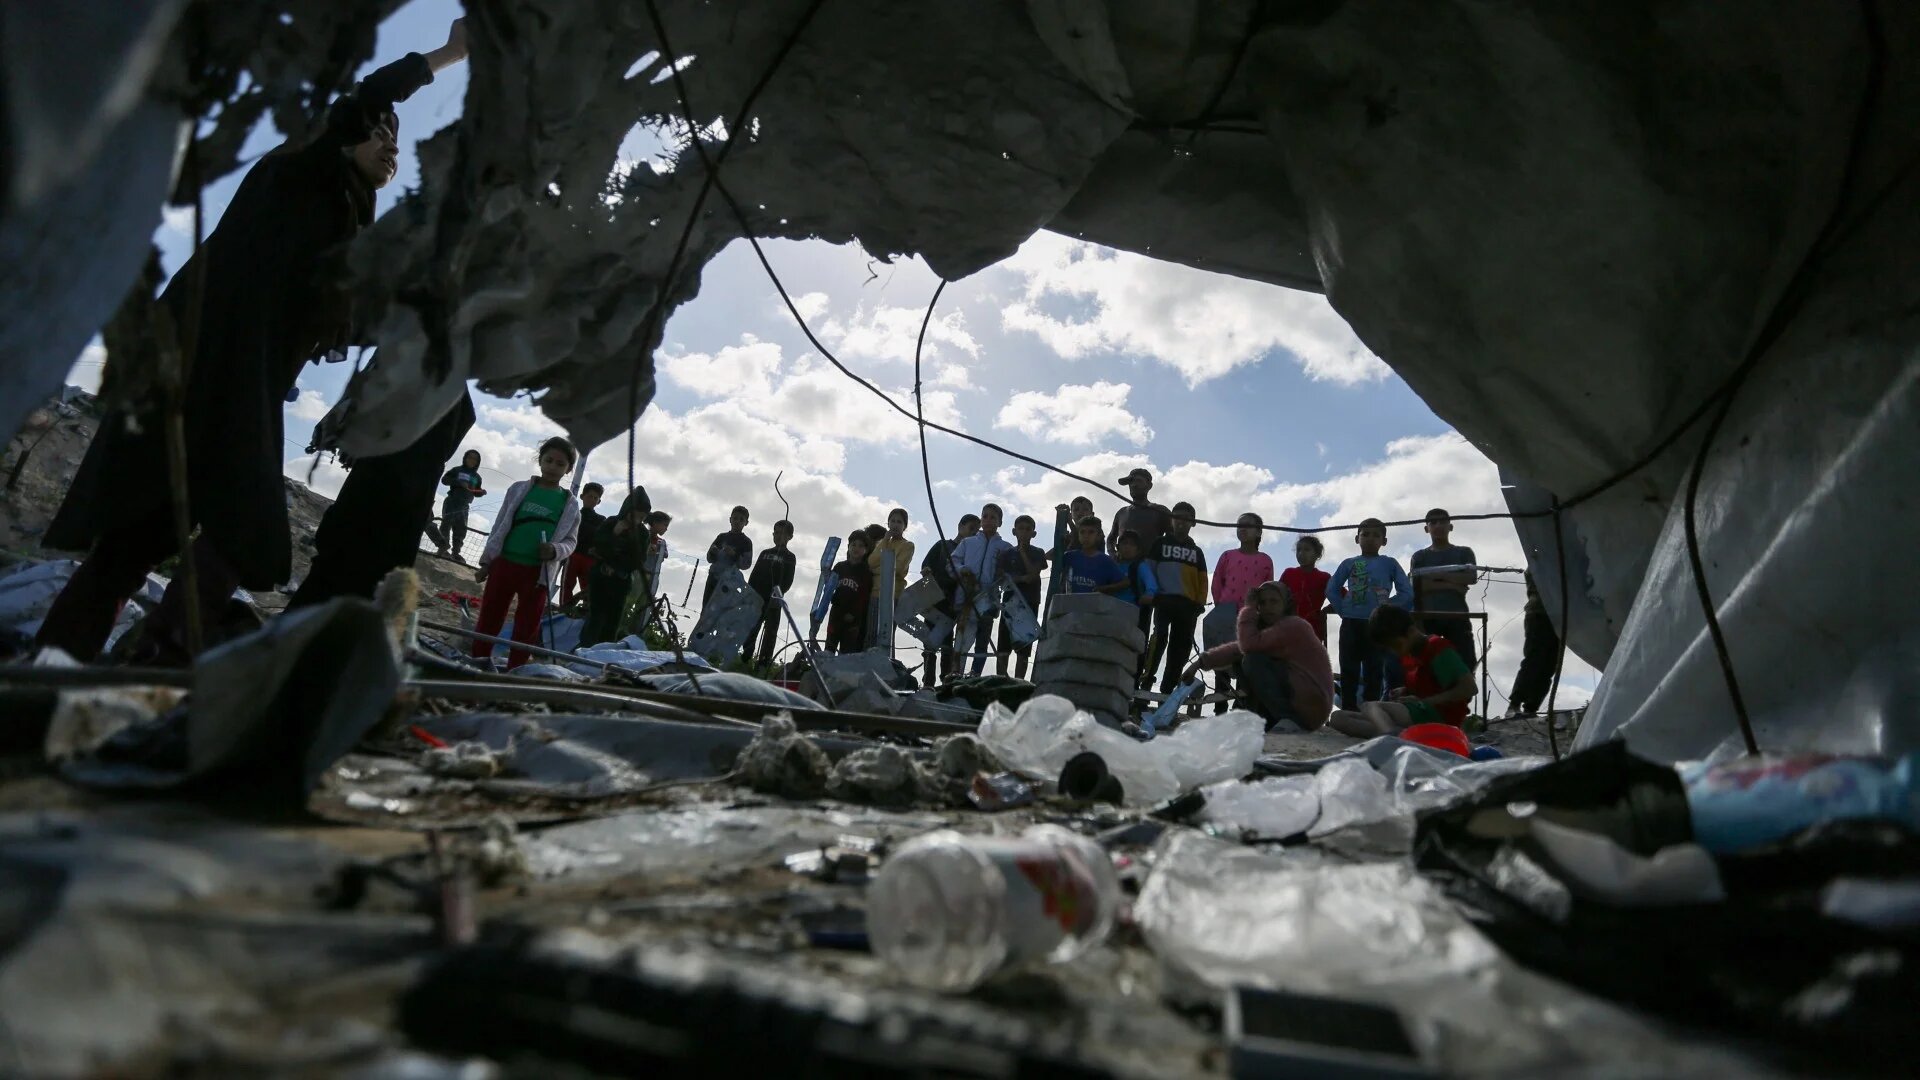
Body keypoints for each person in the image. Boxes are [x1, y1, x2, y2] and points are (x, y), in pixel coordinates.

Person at [34, 22, 470, 663]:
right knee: (224, 528)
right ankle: (119, 660)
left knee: (155, 532)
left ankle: (82, 664)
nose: (388, 145)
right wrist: (452, 53)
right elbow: (365, 96)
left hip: (239, 382)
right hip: (205, 360)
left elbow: (353, 321)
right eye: (378, 133)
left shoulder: (343, 230)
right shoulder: (301, 170)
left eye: (394, 141)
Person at [290, 390, 475, 609]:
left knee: (336, 570)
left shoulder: (417, 374)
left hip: (384, 482)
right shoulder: (453, 393)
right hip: (403, 490)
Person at [472, 437, 581, 669]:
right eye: (549, 460)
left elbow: (571, 542)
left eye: (560, 464)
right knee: (489, 618)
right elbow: (500, 526)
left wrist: (554, 550)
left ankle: (516, 672)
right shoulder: (518, 489)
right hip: (504, 564)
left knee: (527, 627)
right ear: (540, 461)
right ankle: (477, 664)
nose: (553, 467)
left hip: (537, 574)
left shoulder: (570, 504)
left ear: (569, 469)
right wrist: (486, 563)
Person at [1185, 581, 1334, 731]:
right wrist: (1198, 663)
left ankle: (1290, 720)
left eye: (1274, 601)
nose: (1268, 607)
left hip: (1311, 705)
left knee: (1252, 660)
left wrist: (1248, 608)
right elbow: (1237, 649)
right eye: (1262, 602)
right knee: (1243, 660)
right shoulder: (1270, 630)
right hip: (1300, 699)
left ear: (1286, 604)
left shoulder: (1294, 625)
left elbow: (1248, 645)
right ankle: (1266, 720)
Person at [1327, 604, 1475, 737]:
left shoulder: (1437, 648)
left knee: (1370, 706)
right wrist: (1405, 691)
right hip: (1418, 715)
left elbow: (1469, 688)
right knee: (1338, 718)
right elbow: (1429, 684)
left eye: (1396, 645)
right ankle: (1399, 735)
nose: (1395, 652)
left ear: (1410, 632)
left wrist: (1426, 702)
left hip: (1438, 716)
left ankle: (1391, 735)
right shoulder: (1409, 655)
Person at [1325, 517, 1414, 709]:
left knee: (1374, 670)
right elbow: (1332, 589)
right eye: (1365, 534)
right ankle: (1348, 709)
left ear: (1384, 541)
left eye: (1376, 535)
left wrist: (1386, 609)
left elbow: (1406, 593)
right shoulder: (1349, 563)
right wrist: (1343, 610)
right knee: (1349, 669)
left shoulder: (1389, 563)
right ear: (1357, 539)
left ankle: (1371, 710)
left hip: (1376, 626)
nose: (1370, 539)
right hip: (1350, 623)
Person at [1205, 512, 1275, 710]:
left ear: (1259, 532)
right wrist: (1221, 608)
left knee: (1245, 661)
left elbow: (1267, 588)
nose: (1242, 529)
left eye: (1248, 525)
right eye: (1239, 525)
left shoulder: (1265, 560)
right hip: (1226, 614)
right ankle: (1219, 709)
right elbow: (1217, 582)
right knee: (1222, 661)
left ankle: (1240, 708)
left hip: (1252, 618)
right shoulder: (1228, 555)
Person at [1145, 502, 1208, 695]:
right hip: (1163, 601)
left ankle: (1167, 691)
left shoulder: (1197, 552)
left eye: (1185, 518)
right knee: (1159, 639)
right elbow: (1149, 569)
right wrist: (1152, 593)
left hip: (1187, 606)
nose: (1180, 521)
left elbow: (1202, 580)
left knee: (1179, 650)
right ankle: (1146, 682)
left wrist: (1199, 604)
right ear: (1171, 520)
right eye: (1177, 517)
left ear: (1193, 522)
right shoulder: (1160, 544)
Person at [580, 486, 652, 649]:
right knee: (595, 618)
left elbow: (638, 559)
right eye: (635, 515)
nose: (637, 520)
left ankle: (603, 654)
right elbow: (598, 544)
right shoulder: (612, 522)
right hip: (601, 578)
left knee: (613, 621)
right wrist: (615, 535)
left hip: (621, 580)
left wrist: (616, 561)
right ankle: (584, 651)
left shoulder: (642, 533)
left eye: (642, 517)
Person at [1408, 507, 1479, 669]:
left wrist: (1435, 576)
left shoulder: (1464, 552)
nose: (1438, 525)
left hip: (1457, 616)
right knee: (1428, 665)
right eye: (1433, 522)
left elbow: (1471, 577)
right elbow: (1418, 586)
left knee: (1465, 663)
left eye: (1442, 521)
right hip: (1427, 618)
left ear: (1450, 526)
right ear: (1427, 528)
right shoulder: (1419, 557)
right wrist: (1452, 585)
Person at [950, 503, 1015, 677]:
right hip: (966, 598)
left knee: (982, 642)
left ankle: (975, 674)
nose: (988, 520)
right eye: (985, 516)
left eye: (993, 517)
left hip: (989, 599)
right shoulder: (967, 543)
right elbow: (952, 563)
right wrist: (963, 570)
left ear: (1000, 522)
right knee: (962, 640)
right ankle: (955, 674)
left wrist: (1001, 576)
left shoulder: (1005, 547)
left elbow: (1009, 575)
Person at [919, 513, 978, 682]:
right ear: (960, 527)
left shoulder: (969, 554)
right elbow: (926, 564)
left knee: (947, 642)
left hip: (951, 602)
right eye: (971, 529)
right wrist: (927, 572)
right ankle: (928, 680)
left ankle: (945, 679)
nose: (973, 533)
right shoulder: (943, 545)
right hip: (933, 599)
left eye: (976, 531)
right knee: (929, 640)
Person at [996, 514, 1049, 678]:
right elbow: (1002, 579)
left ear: (1033, 533)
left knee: (1024, 648)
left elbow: (1033, 575)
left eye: (1028, 529)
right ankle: (1000, 681)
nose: (1024, 532)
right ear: (1014, 531)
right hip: (1010, 604)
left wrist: (1023, 553)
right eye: (1021, 529)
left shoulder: (1038, 552)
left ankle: (1018, 682)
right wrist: (1020, 579)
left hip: (1030, 602)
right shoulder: (1006, 554)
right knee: (1003, 647)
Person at [742, 520, 798, 666]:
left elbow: (788, 579)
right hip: (757, 597)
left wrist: (779, 593)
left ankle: (763, 663)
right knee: (751, 628)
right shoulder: (765, 553)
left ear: (790, 537)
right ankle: (746, 657)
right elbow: (754, 575)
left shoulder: (790, 557)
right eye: (776, 533)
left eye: (783, 534)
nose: (779, 536)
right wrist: (749, 592)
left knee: (770, 633)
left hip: (774, 599)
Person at [1506, 572, 1561, 716]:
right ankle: (1515, 703)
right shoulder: (1538, 561)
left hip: (1558, 616)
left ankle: (1531, 707)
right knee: (1534, 659)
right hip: (1539, 613)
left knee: (1549, 664)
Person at [824, 529, 874, 655]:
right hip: (836, 614)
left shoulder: (866, 572)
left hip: (853, 619)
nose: (856, 548)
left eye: (861, 546)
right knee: (829, 647)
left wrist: (854, 613)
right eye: (853, 545)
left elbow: (864, 596)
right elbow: (829, 589)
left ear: (866, 550)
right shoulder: (839, 567)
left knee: (846, 652)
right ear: (848, 546)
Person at [557, 482, 604, 609]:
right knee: (567, 584)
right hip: (572, 554)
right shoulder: (573, 514)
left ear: (599, 501)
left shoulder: (601, 520)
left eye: (595, 498)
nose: (592, 500)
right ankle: (564, 610)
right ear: (582, 496)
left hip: (590, 558)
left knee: (588, 588)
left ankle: (586, 613)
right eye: (590, 496)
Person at [1107, 468, 1171, 559]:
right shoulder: (1122, 513)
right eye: (1131, 482)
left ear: (1149, 485)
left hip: (1150, 566)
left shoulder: (1160, 511)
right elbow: (1111, 539)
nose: (1134, 485)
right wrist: (1113, 554)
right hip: (1124, 567)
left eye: (1138, 481)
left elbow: (1173, 539)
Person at [1279, 535, 1332, 644]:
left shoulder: (1324, 577)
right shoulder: (1289, 573)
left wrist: (1326, 610)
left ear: (1317, 554)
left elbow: (1342, 596)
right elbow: (1277, 595)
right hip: (1288, 628)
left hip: (1313, 630)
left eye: (1307, 550)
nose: (1301, 553)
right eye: (1299, 550)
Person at [1046, 495, 1096, 608]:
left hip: (1087, 581)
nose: (1080, 512)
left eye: (1085, 509)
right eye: (1076, 509)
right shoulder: (1068, 536)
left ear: (1092, 514)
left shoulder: (1096, 533)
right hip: (1067, 582)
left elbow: (1081, 541)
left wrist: (1069, 522)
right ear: (1072, 514)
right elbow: (1050, 555)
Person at [438, 449, 487, 562]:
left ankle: (456, 553)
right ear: (465, 458)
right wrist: (458, 482)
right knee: (446, 525)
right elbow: (444, 480)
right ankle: (443, 549)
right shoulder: (457, 470)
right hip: (452, 501)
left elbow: (476, 491)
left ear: (478, 462)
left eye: (475, 459)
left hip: (465, 505)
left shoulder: (477, 477)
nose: (472, 460)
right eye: (470, 457)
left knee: (461, 529)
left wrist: (481, 492)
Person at [1061, 515, 1126, 595]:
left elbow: (1125, 582)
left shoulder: (1106, 561)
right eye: (1082, 532)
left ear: (1098, 535)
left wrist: (1105, 589)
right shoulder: (1069, 556)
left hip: (1095, 606)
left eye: (1091, 532)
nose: (1086, 536)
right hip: (1070, 604)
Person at [704, 506, 754, 604]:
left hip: (729, 582)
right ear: (730, 519)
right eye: (735, 518)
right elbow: (709, 558)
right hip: (713, 579)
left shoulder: (746, 542)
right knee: (706, 608)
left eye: (741, 519)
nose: (737, 521)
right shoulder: (721, 537)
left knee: (721, 612)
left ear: (746, 523)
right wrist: (713, 552)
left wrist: (734, 555)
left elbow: (746, 564)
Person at [636, 510, 672, 630]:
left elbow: (664, 554)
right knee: (630, 600)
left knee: (644, 606)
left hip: (653, 576)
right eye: (664, 525)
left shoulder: (661, 542)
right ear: (655, 523)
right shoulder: (642, 535)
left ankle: (635, 630)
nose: (666, 529)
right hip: (639, 574)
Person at [868, 508, 915, 600]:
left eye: (899, 522)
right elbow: (871, 562)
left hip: (893, 595)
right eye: (892, 521)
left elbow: (897, 568)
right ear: (888, 524)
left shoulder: (908, 546)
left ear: (904, 526)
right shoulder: (882, 543)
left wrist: (874, 570)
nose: (895, 525)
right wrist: (885, 540)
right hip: (874, 594)